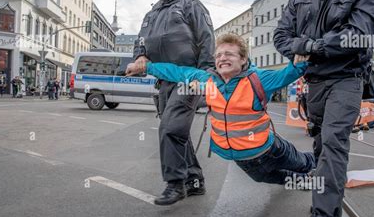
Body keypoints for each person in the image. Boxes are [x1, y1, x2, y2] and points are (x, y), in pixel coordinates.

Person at [274, 0, 374, 217]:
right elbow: (281, 36)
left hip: (347, 79)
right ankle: (325, 195)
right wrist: (302, 47)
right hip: (313, 84)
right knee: (322, 147)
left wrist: (310, 46)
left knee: (335, 144)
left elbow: (359, 36)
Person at [127, 33, 315, 186]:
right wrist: (145, 67)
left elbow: (289, 73)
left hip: (270, 150)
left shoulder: (259, 79)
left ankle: (328, 175)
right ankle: (302, 181)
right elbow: (175, 71)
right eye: (218, 55)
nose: (222, 58)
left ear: (243, 59)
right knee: (262, 177)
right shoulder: (206, 80)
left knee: (303, 162)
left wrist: (302, 57)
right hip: (241, 158)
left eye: (229, 54)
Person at [132, 0, 215, 205]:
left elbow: (206, 37)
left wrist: (205, 72)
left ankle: (175, 184)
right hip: (163, 79)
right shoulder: (151, 13)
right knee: (177, 130)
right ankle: (195, 180)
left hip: (188, 78)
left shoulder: (190, 5)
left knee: (170, 128)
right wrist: (139, 55)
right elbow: (141, 40)